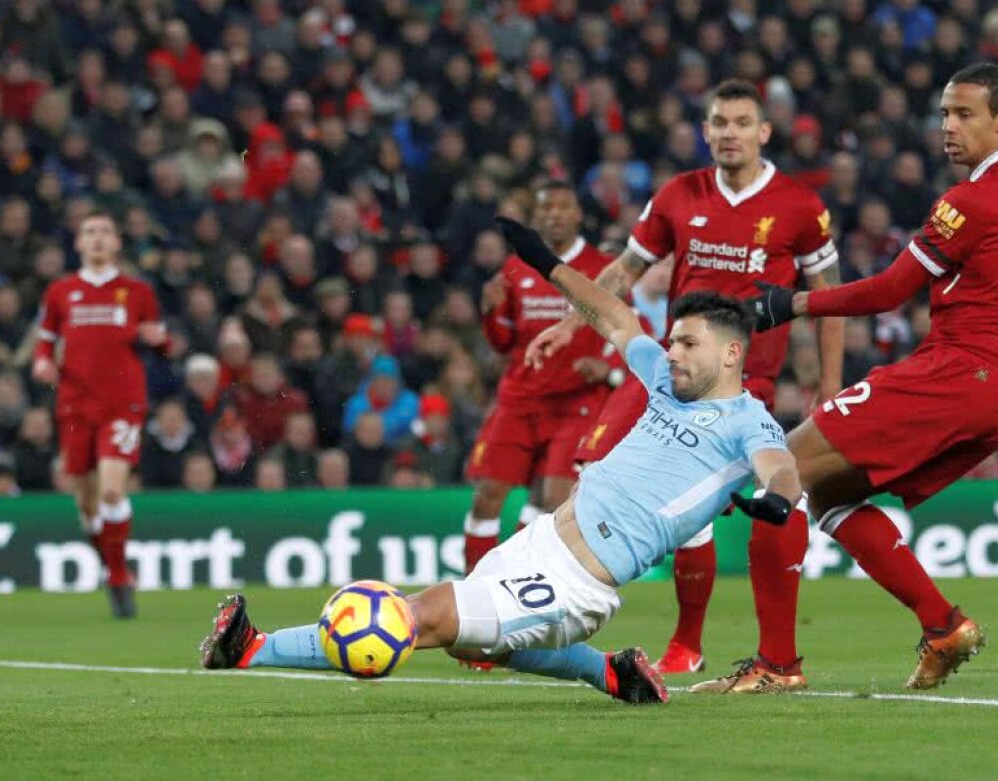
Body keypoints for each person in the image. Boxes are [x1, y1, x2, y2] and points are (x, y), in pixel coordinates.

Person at [199, 217, 803, 705]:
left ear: (730, 354)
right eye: (671, 340)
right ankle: (609, 674)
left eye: (686, 344)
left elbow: (780, 464)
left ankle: (251, 647)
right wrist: (546, 261)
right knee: (473, 645)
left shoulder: (748, 421)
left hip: (578, 582)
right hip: (541, 542)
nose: (670, 352)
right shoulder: (667, 382)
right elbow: (614, 316)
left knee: (425, 614)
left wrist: (776, 497)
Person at [693, 63, 998, 693]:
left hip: (957, 373)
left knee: (782, 468)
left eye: (964, 114)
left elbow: (891, 291)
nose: (948, 127)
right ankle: (942, 625)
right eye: (945, 114)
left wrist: (791, 304)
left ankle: (775, 666)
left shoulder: (967, 202)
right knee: (834, 498)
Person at [528, 79, 844, 678]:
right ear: (705, 131)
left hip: (745, 387)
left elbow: (826, 300)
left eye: (742, 123)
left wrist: (828, 385)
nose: (730, 133)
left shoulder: (800, 207)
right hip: (670, 376)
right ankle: (562, 603)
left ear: (764, 132)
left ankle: (699, 642)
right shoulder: (678, 195)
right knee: (593, 465)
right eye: (719, 123)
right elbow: (625, 270)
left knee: (724, 500)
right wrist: (571, 325)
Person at [461, 181, 612, 574]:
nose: (554, 214)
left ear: (578, 214)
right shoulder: (515, 268)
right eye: (547, 208)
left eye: (563, 206)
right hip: (520, 398)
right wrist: (491, 312)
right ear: (536, 216)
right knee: (487, 496)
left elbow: (624, 326)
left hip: (574, 402)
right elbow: (503, 342)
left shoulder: (599, 268)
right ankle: (473, 587)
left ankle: (516, 582)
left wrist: (608, 367)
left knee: (553, 502)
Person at [31, 210, 168, 618]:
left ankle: (119, 577)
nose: (97, 239)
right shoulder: (60, 291)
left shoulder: (137, 291)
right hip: (74, 404)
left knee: (112, 491)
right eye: (89, 232)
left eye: (105, 232)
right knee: (87, 504)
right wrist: (42, 363)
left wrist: (158, 339)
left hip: (122, 402)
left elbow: (160, 340)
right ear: (78, 243)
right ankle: (113, 566)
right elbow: (45, 342)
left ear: (117, 242)